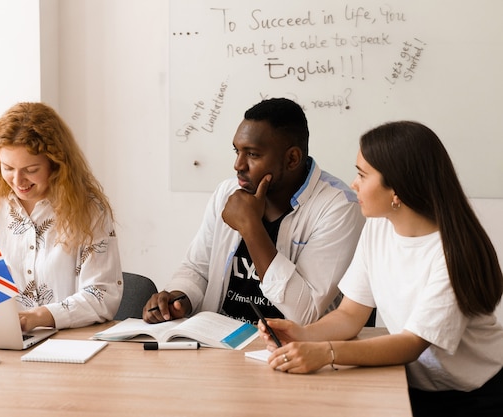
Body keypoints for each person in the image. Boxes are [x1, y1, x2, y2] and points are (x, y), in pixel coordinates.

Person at [258, 121, 503, 416]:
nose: (353, 183)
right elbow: (350, 315)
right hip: (410, 384)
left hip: (474, 394)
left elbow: (412, 343)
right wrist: (303, 335)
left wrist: (326, 353)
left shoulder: (452, 253)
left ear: (397, 189)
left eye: (363, 174)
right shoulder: (377, 227)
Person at [143, 98, 365, 325]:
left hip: (286, 348)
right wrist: (179, 298)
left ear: (292, 159)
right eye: (237, 151)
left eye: (252, 154)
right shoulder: (228, 192)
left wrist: (251, 228)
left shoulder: (339, 207)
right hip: (219, 339)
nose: (238, 164)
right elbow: (197, 268)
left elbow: (305, 314)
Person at [0, 102, 123, 331]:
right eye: (8, 168)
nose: (18, 181)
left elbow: (102, 296)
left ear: (56, 165)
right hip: (0, 343)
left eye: (31, 170)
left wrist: (43, 316)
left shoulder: (89, 212)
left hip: (69, 345)